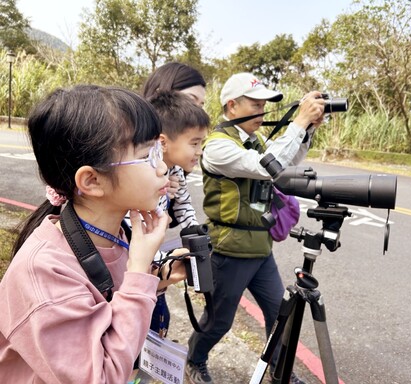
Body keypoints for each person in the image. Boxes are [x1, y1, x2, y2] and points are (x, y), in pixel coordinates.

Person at [0, 85, 187, 383]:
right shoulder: (44, 270)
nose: (163, 167)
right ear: (92, 181)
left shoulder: (117, 233)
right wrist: (138, 271)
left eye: (158, 151)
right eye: (146, 155)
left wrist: (155, 276)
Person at [185, 72, 326, 384]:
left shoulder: (255, 140)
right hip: (229, 250)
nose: (263, 111)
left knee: (279, 315)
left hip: (260, 248)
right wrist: (298, 123)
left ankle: (278, 371)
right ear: (232, 105)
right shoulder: (218, 146)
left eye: (265, 104)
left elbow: (284, 165)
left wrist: (306, 132)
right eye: (256, 103)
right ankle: (194, 361)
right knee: (219, 321)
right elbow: (267, 166)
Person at [140, 62, 208, 336]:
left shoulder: (176, 164)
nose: (198, 111)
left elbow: (183, 205)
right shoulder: (135, 164)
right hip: (134, 271)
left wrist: (193, 231)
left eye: (202, 104)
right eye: (191, 101)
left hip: (152, 274)